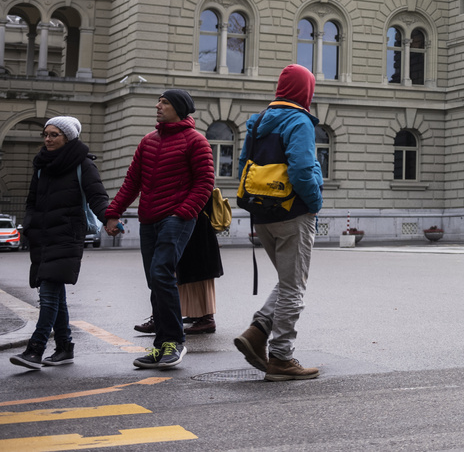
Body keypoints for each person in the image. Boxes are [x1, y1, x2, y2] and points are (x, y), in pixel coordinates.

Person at [104, 90, 214, 370]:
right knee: (155, 280)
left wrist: (183, 212)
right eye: (159, 101)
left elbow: (204, 183)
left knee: (161, 272)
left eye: (164, 102)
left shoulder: (196, 141)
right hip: (148, 220)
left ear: (178, 108)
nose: (158, 106)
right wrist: (113, 213)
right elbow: (132, 182)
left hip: (176, 218)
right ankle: (160, 345)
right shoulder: (148, 142)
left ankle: (174, 342)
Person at [232, 65, 325, 381]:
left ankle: (257, 332)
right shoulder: (299, 121)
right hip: (292, 213)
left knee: (287, 282)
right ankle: (281, 358)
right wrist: (314, 204)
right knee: (294, 287)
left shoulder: (258, 121)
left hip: (262, 214)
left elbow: (245, 163)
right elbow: (301, 170)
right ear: (305, 91)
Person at [9, 117, 110, 371]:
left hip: (66, 236)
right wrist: (29, 224)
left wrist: (110, 218)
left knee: (48, 292)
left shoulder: (83, 165)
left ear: (68, 137)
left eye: (54, 134)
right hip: (42, 237)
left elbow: (98, 195)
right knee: (54, 292)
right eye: (46, 134)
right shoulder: (42, 165)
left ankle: (36, 349)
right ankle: (64, 347)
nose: (48, 139)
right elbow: (31, 201)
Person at [177, 193, 224, 335]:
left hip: (196, 223)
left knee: (198, 273)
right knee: (189, 273)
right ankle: (198, 314)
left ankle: (207, 317)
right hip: (194, 221)